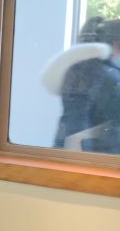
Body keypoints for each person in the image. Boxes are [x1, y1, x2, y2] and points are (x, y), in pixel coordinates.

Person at [45, 17, 120, 153]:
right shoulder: (94, 73)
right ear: (116, 43)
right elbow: (77, 125)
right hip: (90, 156)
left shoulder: (99, 71)